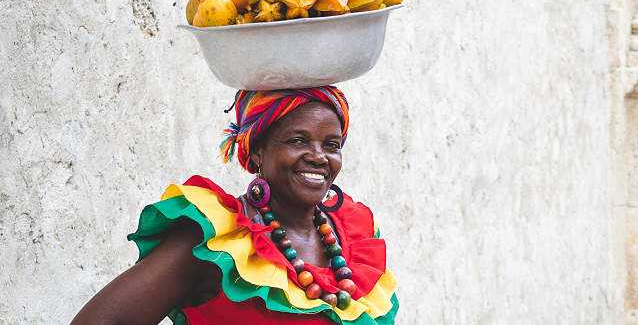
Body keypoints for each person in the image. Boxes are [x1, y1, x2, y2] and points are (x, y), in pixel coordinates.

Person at [72, 86, 398, 325]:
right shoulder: (217, 243)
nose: (318, 156)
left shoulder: (357, 238)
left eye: (332, 145)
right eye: (297, 140)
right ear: (256, 151)